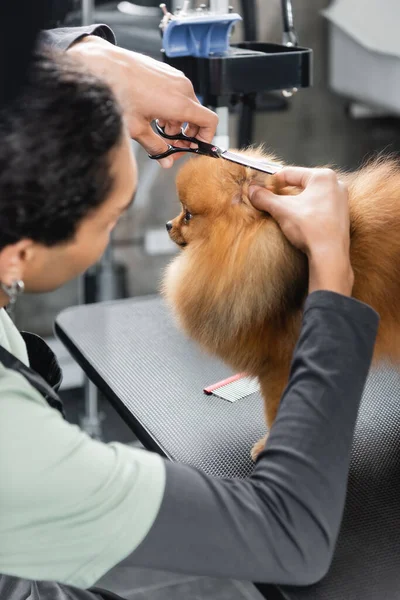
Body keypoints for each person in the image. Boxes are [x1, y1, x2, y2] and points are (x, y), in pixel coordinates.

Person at [0, 46, 379, 600]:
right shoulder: (19, 452)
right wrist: (330, 274)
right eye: (112, 218)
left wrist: (83, 59)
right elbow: (289, 537)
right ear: (22, 254)